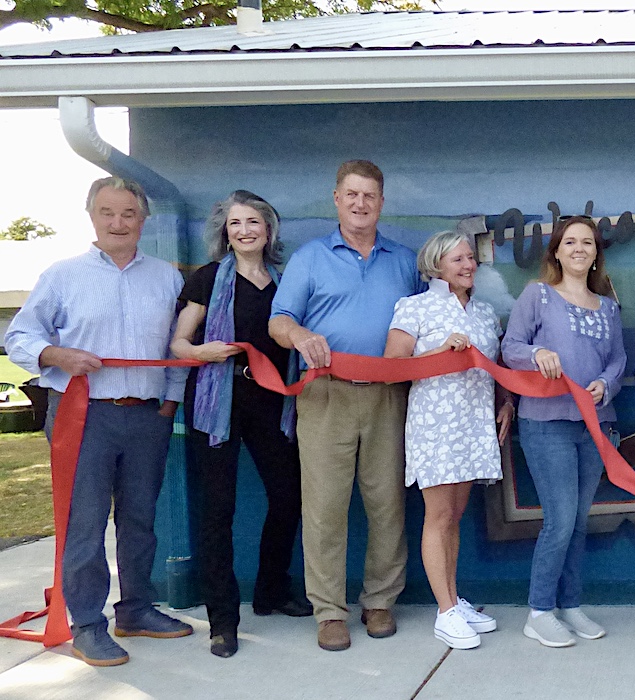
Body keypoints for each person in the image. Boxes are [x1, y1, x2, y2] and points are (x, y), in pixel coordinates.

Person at [5, 176, 192, 666]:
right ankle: (88, 624)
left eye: (128, 214)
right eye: (108, 212)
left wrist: (169, 403)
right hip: (82, 417)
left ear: (142, 220)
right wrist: (55, 354)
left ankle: (136, 609)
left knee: (140, 521)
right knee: (84, 526)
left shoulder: (167, 278)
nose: (118, 223)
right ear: (92, 216)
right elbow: (19, 335)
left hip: (147, 417)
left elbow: (175, 345)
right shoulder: (62, 275)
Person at [268, 160, 423, 652]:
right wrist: (301, 335)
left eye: (369, 196)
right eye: (351, 194)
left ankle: (379, 602)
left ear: (381, 202)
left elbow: (427, 320)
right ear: (336, 199)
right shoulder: (310, 258)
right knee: (324, 508)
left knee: (387, 505)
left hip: (388, 395)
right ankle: (329, 612)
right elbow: (279, 321)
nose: (360, 204)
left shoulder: (404, 260)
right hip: (325, 393)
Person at [171, 191, 311, 659]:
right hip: (217, 401)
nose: (244, 230)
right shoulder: (208, 279)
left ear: (268, 229)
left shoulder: (284, 284)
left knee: (289, 495)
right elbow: (179, 343)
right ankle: (223, 619)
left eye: (253, 221)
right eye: (235, 223)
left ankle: (271, 588)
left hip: (272, 401)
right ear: (224, 232)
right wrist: (200, 352)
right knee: (218, 510)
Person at [384, 230, 513, 650]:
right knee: (437, 516)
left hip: (474, 424)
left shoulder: (485, 313)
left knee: (454, 517)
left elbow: (495, 368)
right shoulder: (415, 307)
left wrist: (506, 402)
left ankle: (453, 600)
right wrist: (439, 351)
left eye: (471, 258)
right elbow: (393, 366)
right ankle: (444, 612)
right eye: (458, 259)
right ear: (436, 264)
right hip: (435, 426)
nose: (468, 265)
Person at [501, 215, 625, 649]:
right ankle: (539, 611)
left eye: (586, 243)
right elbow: (510, 347)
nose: (578, 249)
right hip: (546, 423)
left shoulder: (608, 306)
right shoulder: (537, 296)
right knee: (559, 520)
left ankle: (570, 604)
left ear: (596, 253)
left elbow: (617, 360)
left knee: (579, 522)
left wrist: (606, 384)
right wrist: (537, 354)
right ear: (555, 251)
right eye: (569, 242)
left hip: (594, 426)